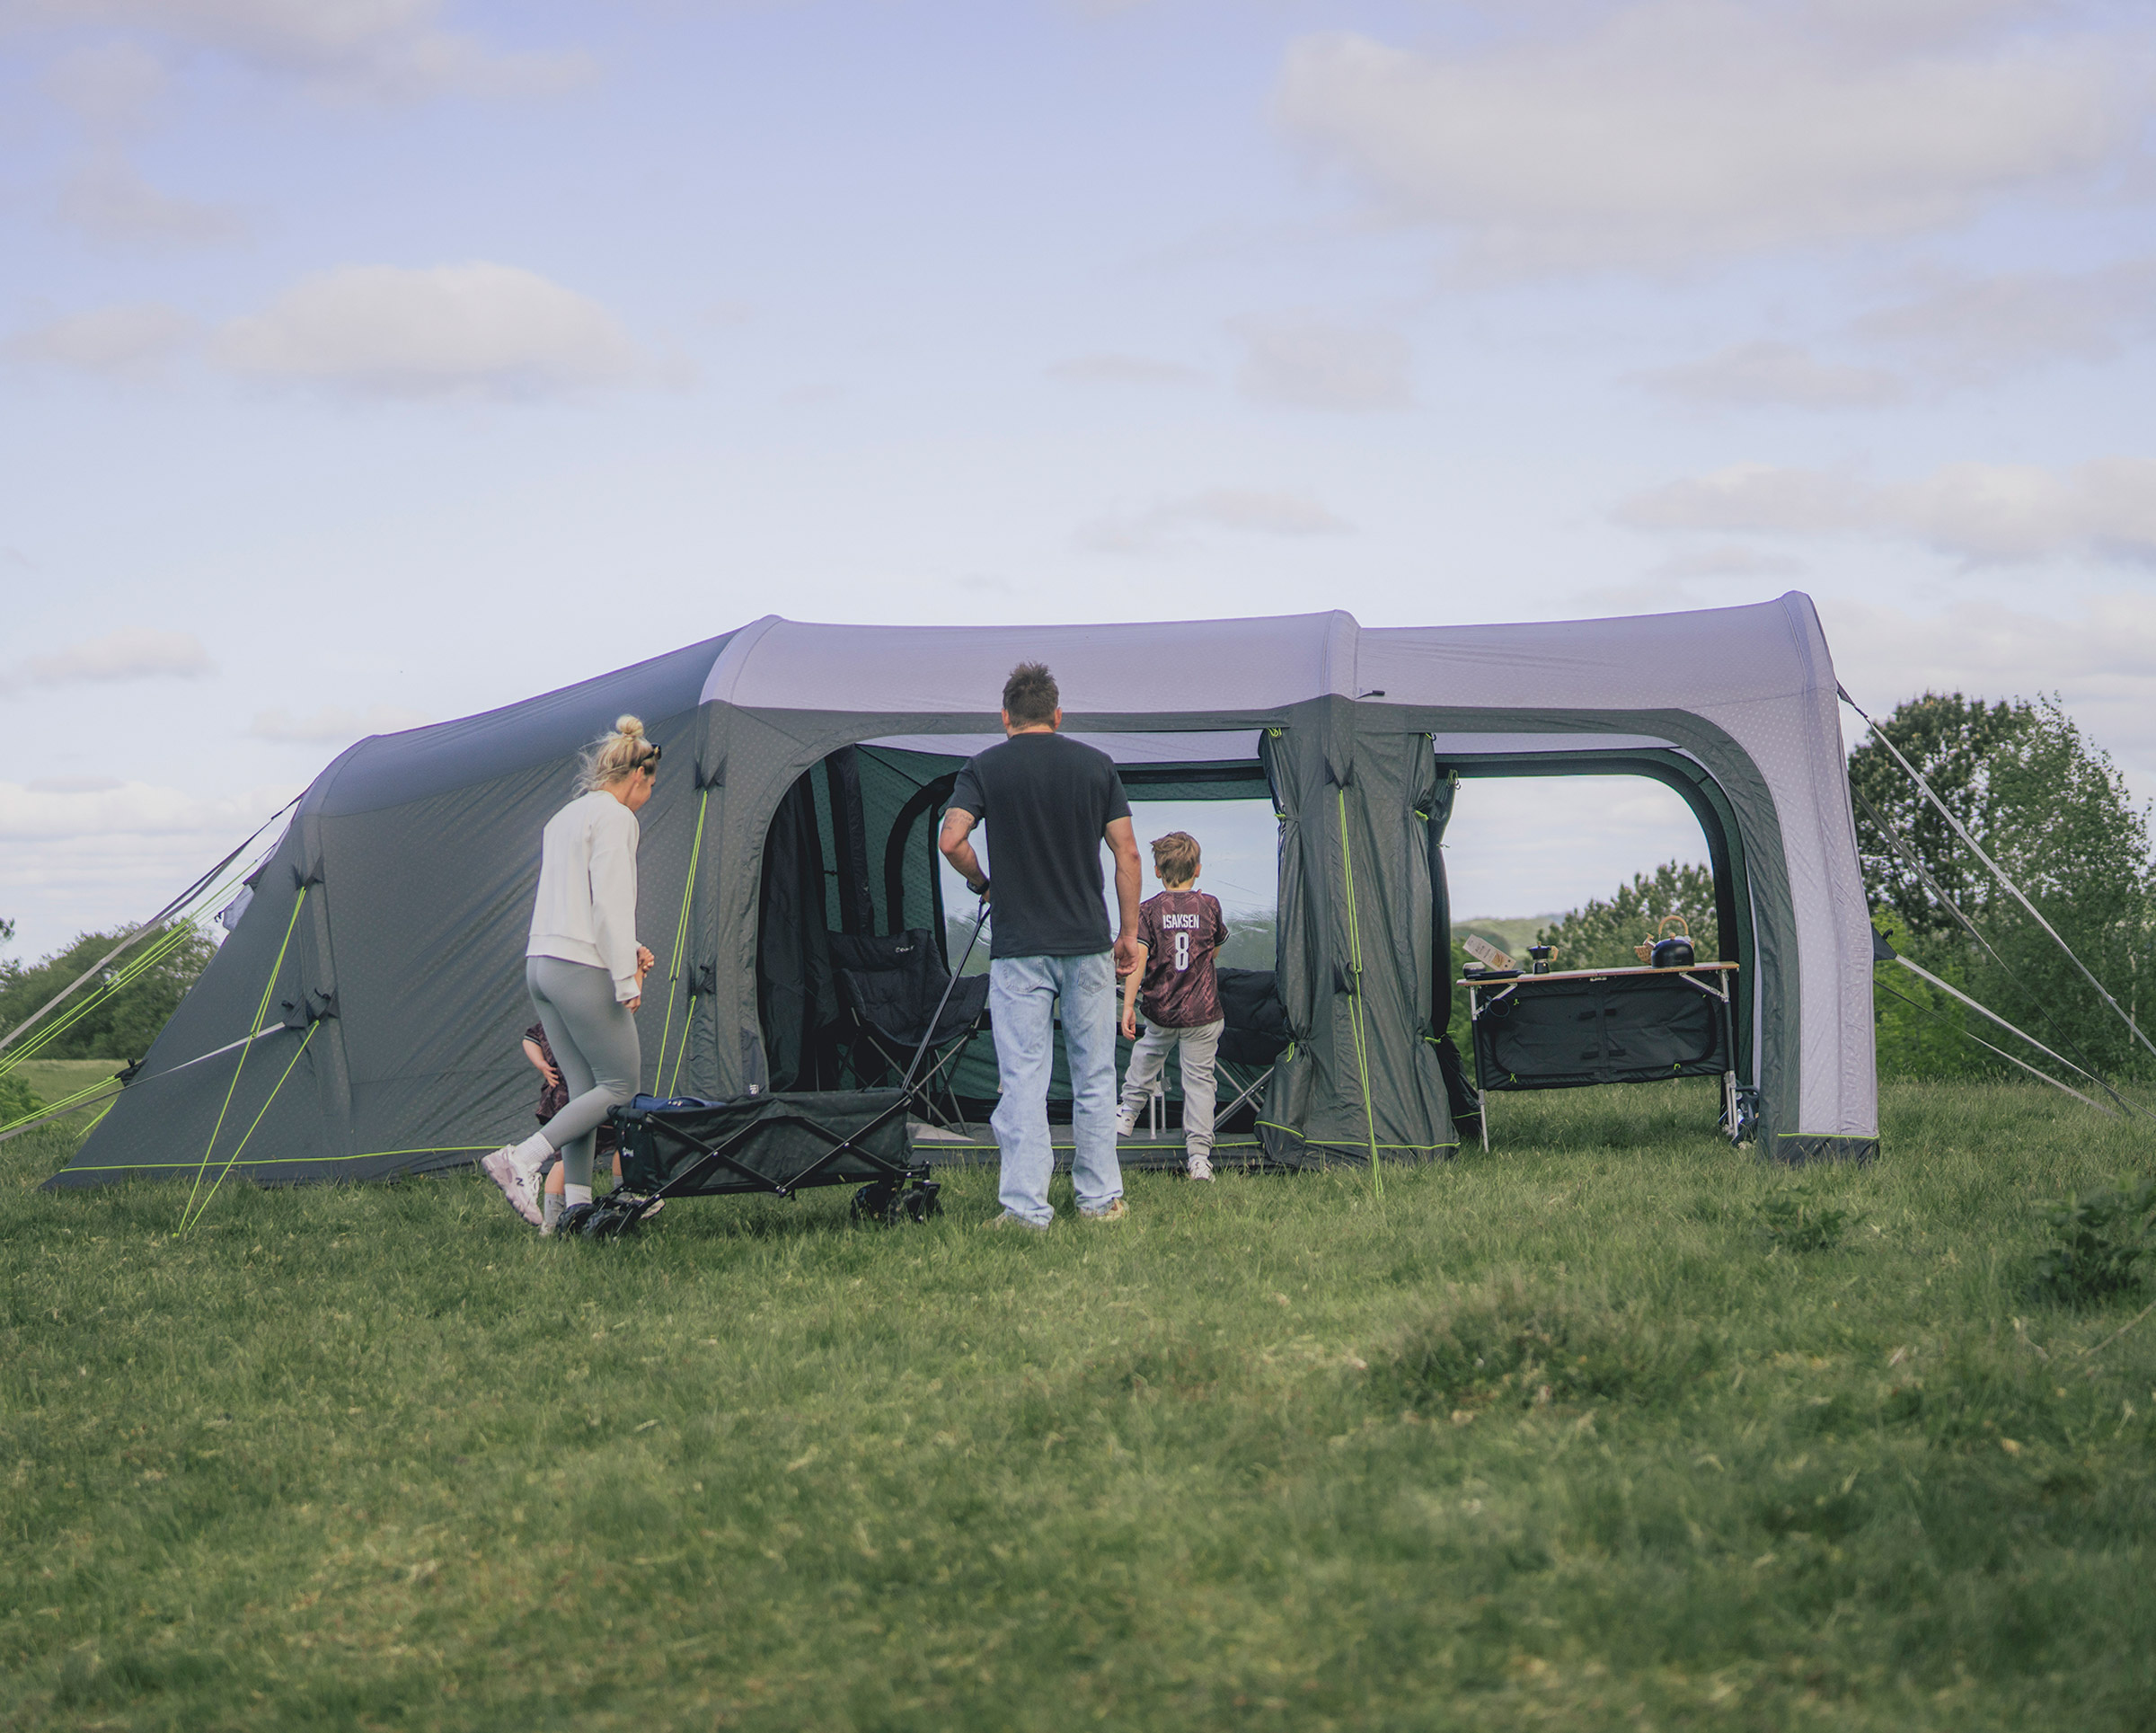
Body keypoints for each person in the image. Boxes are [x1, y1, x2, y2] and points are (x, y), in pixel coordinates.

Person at [939, 662, 1142, 1229]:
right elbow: (1127, 855)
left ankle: (1027, 1209)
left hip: (1019, 947)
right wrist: (1128, 935)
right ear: (1058, 714)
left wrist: (983, 883)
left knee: (1023, 1079)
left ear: (1005, 718)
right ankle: (1100, 1202)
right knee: (1096, 1075)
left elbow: (951, 839)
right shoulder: (1096, 766)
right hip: (1086, 944)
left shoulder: (983, 768)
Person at [482, 715, 659, 1229]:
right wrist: (625, 976)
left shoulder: (563, 818)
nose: (648, 796)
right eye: (651, 785)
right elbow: (608, 903)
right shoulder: (617, 818)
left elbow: (576, 904)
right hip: (582, 968)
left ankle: (571, 1212)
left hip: (542, 964)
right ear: (637, 777)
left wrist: (629, 947)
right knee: (621, 1088)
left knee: (586, 1094)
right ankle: (523, 1159)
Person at [1116, 831, 1230, 1181]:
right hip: (1203, 1012)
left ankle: (1126, 1116)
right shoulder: (1209, 905)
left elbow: (1138, 960)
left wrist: (1129, 1005)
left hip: (1162, 1011)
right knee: (1199, 1082)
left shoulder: (1148, 911)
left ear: (1156, 872)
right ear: (1197, 869)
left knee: (1146, 1057)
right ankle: (1199, 1158)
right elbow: (1213, 950)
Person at [520, 1021, 639, 1235]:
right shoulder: (586, 1014)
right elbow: (530, 1039)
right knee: (566, 1157)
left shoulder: (560, 1012)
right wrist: (542, 1065)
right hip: (579, 1097)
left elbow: (529, 1038)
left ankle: (624, 1198)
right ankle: (553, 1219)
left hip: (587, 1095)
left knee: (625, 1139)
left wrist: (541, 1064)